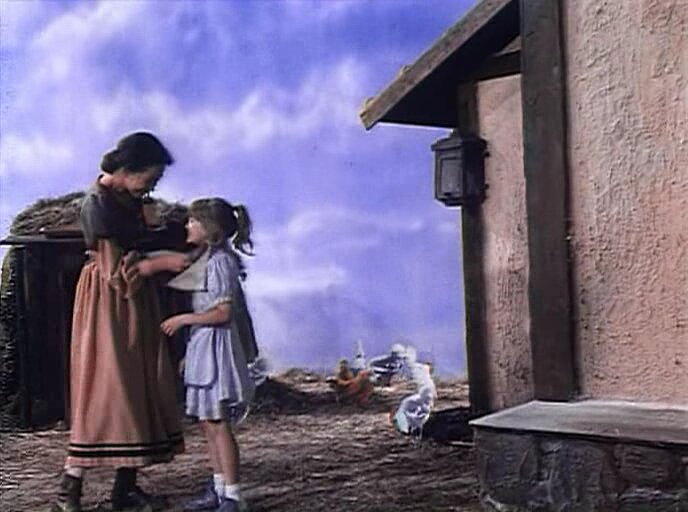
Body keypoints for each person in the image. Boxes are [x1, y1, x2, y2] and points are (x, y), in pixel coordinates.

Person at [51, 132, 190, 512]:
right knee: (109, 389)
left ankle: (125, 489)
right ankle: (68, 488)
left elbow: (136, 246)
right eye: (150, 178)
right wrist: (160, 263)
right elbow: (116, 273)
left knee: (138, 387)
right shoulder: (98, 205)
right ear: (128, 169)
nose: (153, 186)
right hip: (109, 302)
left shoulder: (128, 200)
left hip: (133, 303)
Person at [160, 198, 256, 512]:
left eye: (193, 221)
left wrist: (183, 320)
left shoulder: (221, 263)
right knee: (208, 423)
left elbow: (223, 313)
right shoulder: (209, 258)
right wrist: (191, 352)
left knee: (218, 422)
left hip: (217, 347)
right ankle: (218, 488)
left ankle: (233, 496)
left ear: (209, 227)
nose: (188, 226)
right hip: (204, 346)